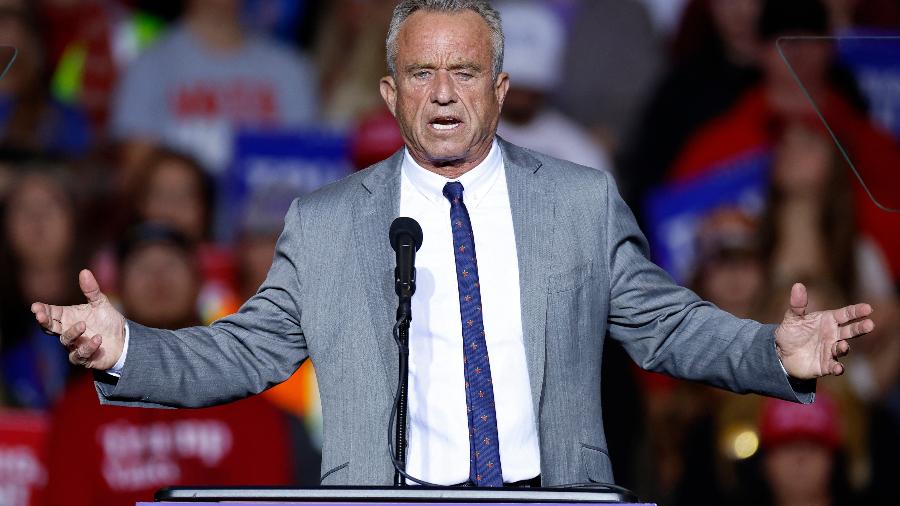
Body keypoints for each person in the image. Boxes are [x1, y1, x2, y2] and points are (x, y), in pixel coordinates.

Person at [33, 0, 875, 489]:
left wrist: (775, 352)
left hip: (550, 501)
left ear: (500, 89)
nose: (444, 95)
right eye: (423, 76)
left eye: (465, 72)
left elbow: (666, 325)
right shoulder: (325, 225)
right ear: (390, 92)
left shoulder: (579, 203)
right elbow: (245, 353)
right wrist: (128, 350)